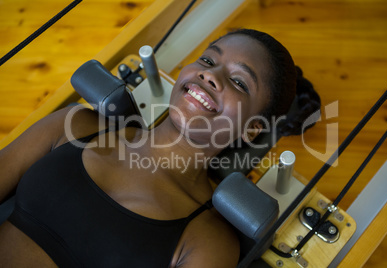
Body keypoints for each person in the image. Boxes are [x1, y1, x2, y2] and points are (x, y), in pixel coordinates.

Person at [0, 29, 320, 267]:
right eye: (208, 60)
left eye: (239, 82)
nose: (210, 75)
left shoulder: (208, 239)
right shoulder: (75, 125)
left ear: (253, 129)